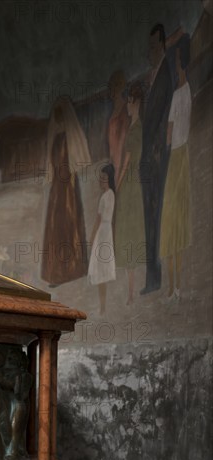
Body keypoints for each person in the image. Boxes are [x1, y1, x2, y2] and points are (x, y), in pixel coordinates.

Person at [41, 96, 92, 286]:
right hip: (57, 189)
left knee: (69, 225)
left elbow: (73, 163)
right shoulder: (55, 138)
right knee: (55, 229)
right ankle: (56, 272)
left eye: (61, 114)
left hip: (68, 187)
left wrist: (67, 186)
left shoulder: (69, 138)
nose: (59, 118)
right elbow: (52, 164)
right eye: (57, 115)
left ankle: (73, 268)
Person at [139, 23, 174, 295]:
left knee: (157, 216)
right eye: (148, 46)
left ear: (162, 45)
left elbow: (158, 124)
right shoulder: (152, 78)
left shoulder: (165, 76)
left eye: (153, 46)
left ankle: (156, 276)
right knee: (149, 219)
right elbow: (144, 121)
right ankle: (151, 276)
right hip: (147, 160)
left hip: (157, 158)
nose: (149, 51)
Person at [160, 34, 192, 299]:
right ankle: (175, 284)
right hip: (184, 157)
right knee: (176, 224)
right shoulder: (187, 91)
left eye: (177, 61)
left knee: (173, 224)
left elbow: (169, 135)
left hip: (176, 159)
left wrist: (162, 153)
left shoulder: (179, 94)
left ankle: (174, 285)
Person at [114, 82, 146, 305]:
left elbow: (125, 163)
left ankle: (131, 292)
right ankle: (130, 291)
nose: (127, 104)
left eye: (129, 101)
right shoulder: (136, 125)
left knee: (129, 233)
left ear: (136, 103)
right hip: (134, 185)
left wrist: (117, 184)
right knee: (129, 234)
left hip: (130, 185)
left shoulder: (136, 128)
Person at [88, 164, 116, 315]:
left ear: (109, 179)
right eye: (101, 178)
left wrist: (92, 237)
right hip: (107, 231)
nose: (101, 181)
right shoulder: (109, 195)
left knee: (101, 268)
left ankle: (103, 306)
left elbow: (99, 219)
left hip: (103, 232)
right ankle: (102, 305)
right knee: (101, 269)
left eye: (104, 179)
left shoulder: (107, 195)